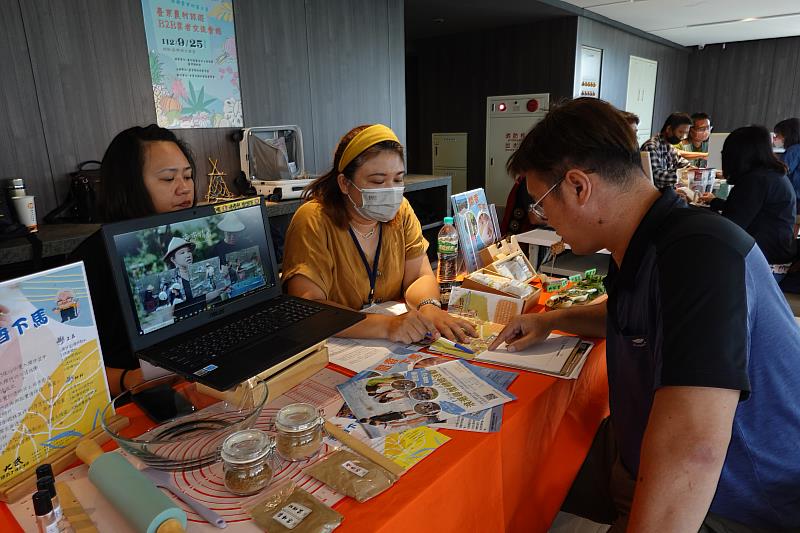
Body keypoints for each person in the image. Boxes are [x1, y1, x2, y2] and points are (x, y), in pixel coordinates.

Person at [489, 97, 800, 531]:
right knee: (522, 463)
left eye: (542, 202)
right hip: (654, 461)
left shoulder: (697, 255)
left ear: (579, 186)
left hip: (733, 500)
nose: (542, 217)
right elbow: (631, 318)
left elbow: (692, 451)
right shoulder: (645, 241)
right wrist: (549, 320)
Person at [282, 124, 476, 344]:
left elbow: (419, 276)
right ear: (345, 183)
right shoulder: (313, 219)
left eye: (398, 179)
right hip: (335, 344)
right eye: (377, 181)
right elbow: (310, 306)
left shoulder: (401, 211)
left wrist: (428, 307)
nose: (391, 190)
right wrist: (386, 326)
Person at [72, 124, 196, 395]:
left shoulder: (184, 234)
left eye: (187, 176)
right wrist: (129, 380)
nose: (184, 188)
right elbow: (73, 366)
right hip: (139, 395)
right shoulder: (92, 258)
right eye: (168, 179)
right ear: (129, 185)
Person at [703, 125, 796, 281]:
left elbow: (731, 225)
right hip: (776, 254)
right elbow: (747, 209)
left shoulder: (755, 180)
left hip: (765, 263)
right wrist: (715, 202)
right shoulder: (770, 174)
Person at [640, 112, 693, 190]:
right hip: (655, 195)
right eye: (681, 132)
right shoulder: (651, 146)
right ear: (668, 129)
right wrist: (683, 176)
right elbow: (658, 177)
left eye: (686, 133)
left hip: (667, 193)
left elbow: (681, 162)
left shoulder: (669, 146)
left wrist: (693, 170)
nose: (683, 137)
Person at [774, 118, 800, 210]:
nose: (775, 138)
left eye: (778, 134)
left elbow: (779, 171)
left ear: (787, 135)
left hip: (794, 199)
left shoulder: (793, 151)